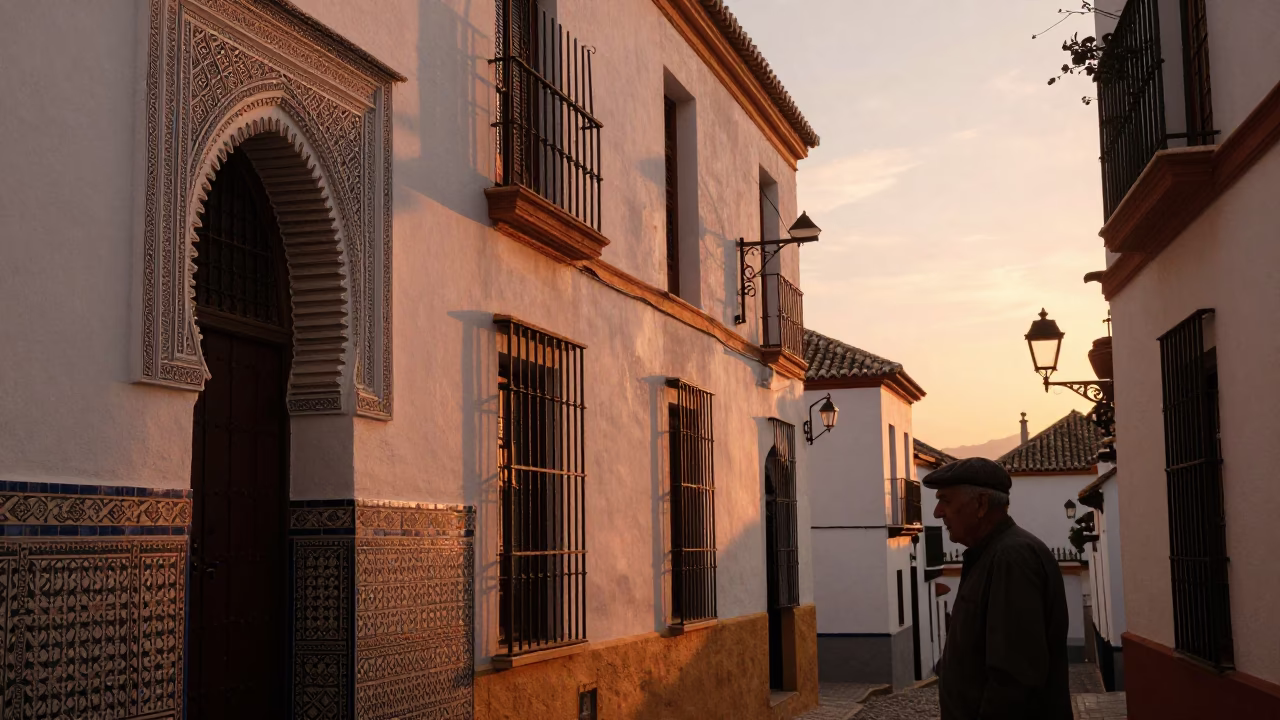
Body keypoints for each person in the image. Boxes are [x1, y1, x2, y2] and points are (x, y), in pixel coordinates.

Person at [926, 457, 1072, 720]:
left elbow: (1014, 677)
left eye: (945, 500)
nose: (937, 512)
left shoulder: (1011, 558)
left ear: (980, 504)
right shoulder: (990, 555)